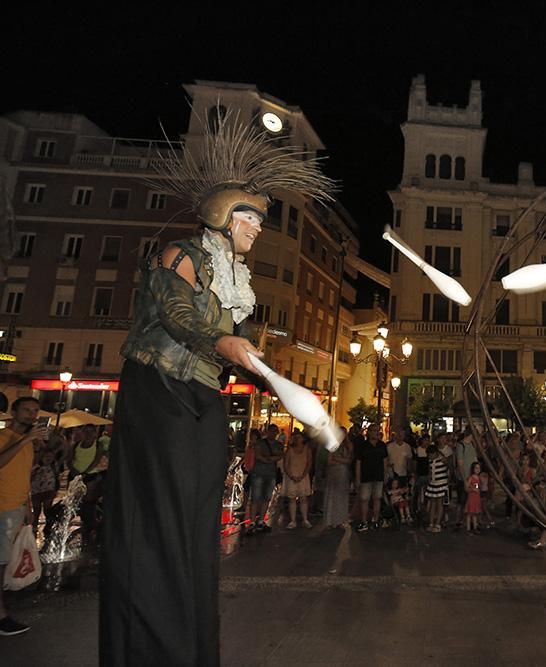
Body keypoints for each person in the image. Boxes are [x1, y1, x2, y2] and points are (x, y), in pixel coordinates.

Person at [99, 114, 335, 667]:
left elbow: (241, 347)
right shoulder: (178, 257)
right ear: (223, 216)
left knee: (197, 520)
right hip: (159, 392)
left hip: (203, 399)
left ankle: (189, 641)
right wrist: (223, 342)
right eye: (250, 219)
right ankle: (149, 642)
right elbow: (179, 316)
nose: (258, 230)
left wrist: (268, 373)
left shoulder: (237, 284)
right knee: (161, 517)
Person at [0, 397, 47, 636]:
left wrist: (27, 505)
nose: (31, 414)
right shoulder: (4, 436)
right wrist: (26, 439)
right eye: (26, 410)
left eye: (35, 411)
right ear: (13, 411)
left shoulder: (28, 443)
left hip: (15, 508)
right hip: (2, 508)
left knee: (4, 561)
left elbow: (23, 475)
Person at [247, 424, 283, 535]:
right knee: (256, 497)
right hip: (259, 473)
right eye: (271, 431)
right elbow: (258, 455)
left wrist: (267, 458)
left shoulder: (278, 445)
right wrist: (270, 459)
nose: (273, 433)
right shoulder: (260, 443)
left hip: (270, 473)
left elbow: (280, 456)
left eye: (274, 432)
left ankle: (261, 520)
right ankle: (252, 522)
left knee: (266, 497)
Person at [354, 427, 388, 532]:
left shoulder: (382, 445)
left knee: (377, 498)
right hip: (366, 476)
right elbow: (358, 462)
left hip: (378, 476)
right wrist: (358, 477)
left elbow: (385, 461)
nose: (375, 433)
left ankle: (375, 520)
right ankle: (364, 521)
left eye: (377, 431)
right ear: (368, 432)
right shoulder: (363, 446)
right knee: (364, 499)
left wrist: (385, 474)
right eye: (373, 431)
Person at [322, 424, 353, 530]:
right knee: (332, 495)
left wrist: (338, 459)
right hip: (333, 473)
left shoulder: (348, 445)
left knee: (342, 496)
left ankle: (340, 520)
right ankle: (331, 520)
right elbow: (329, 461)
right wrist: (341, 460)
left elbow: (349, 460)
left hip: (343, 473)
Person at [282, 433, 313, 529]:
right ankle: (293, 520)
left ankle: (305, 519)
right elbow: (286, 464)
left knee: (303, 498)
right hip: (292, 476)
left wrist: (303, 475)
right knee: (292, 498)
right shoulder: (290, 450)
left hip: (302, 476)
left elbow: (309, 463)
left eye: (299, 437)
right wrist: (291, 476)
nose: (298, 439)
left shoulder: (307, 450)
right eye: (296, 437)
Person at [424, 445, 449, 532]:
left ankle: (437, 524)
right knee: (433, 504)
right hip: (433, 484)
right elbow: (430, 471)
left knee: (439, 503)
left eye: (430, 454)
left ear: (435, 453)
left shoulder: (442, 459)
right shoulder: (430, 461)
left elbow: (449, 466)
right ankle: (431, 523)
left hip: (441, 484)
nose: (429, 456)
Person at [464, 461, 483, 534]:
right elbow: (467, 487)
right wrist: (472, 489)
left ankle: (475, 527)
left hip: (476, 498)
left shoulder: (478, 477)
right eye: (476, 468)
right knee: (469, 514)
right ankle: (468, 529)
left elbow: (477, 486)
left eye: (479, 468)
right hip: (472, 497)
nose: (478, 470)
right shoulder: (471, 477)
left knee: (475, 513)